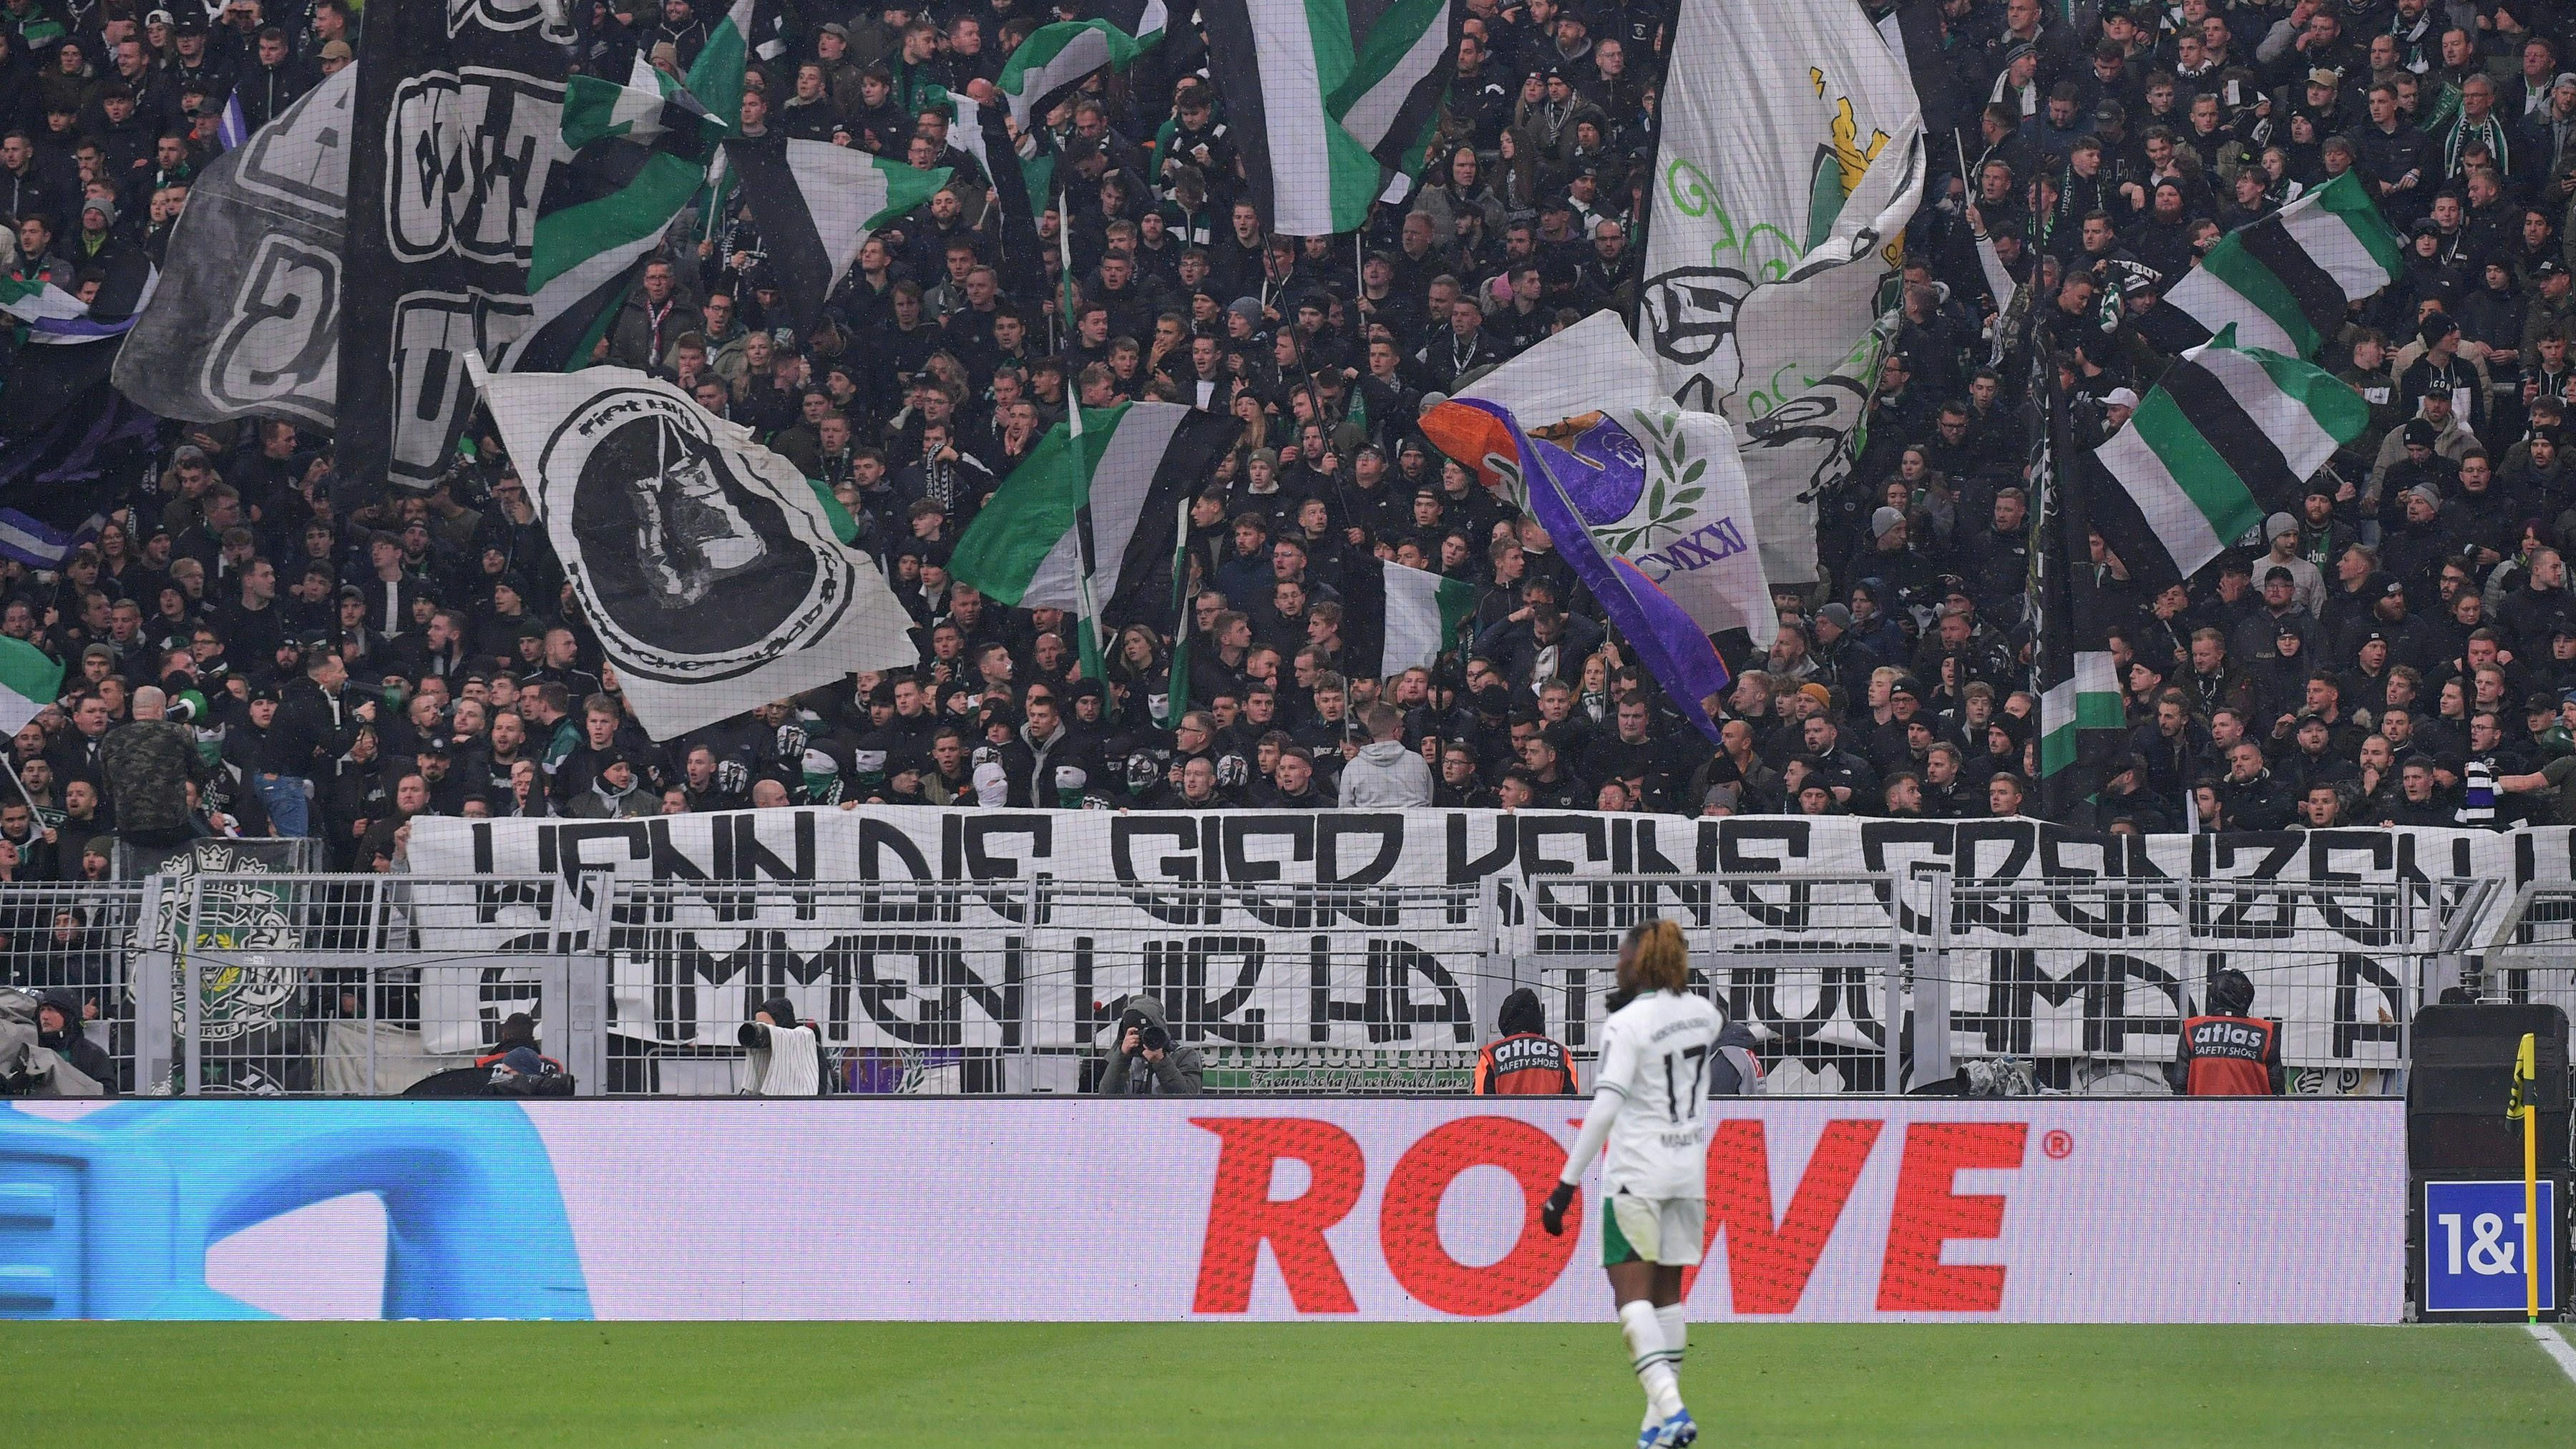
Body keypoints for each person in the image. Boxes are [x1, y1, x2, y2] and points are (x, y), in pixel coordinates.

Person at [1541, 919, 1719, 1449]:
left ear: (1638, 962)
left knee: (1632, 1299)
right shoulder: (1705, 1015)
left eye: (1622, 957)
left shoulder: (1628, 1024)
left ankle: (1672, 1408)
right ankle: (1654, 1427)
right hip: (1688, 1173)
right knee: (1668, 1300)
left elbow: (1605, 1108)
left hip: (1638, 1173)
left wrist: (1564, 1187)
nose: (1616, 965)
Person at [2167, 968, 2283, 1096]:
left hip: (2203, 1112)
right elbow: (2277, 1087)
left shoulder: (2192, 1029)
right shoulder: (2266, 1031)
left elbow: (2179, 1084)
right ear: (2248, 995)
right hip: (2251, 1113)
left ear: (2214, 994)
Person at [1471, 987, 1577, 1094]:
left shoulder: (1490, 1056)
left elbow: (1482, 1104)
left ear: (1505, 1018)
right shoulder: (1561, 1055)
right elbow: (1574, 1104)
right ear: (1538, 1018)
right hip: (1550, 1111)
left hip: (1506, 1111)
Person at [1097, 993, 1204, 1095]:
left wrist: (1161, 1062)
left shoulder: (1184, 1055)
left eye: (1148, 1032)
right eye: (1136, 1033)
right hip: (1130, 1114)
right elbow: (1106, 1098)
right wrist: (1122, 1057)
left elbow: (1190, 1099)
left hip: (1170, 1114)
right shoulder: (1121, 1057)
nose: (1143, 1038)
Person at [1335, 701, 1433, 807]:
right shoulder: (1417, 762)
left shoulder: (1353, 768)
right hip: (1414, 823)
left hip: (1369, 824)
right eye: (1402, 727)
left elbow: (1345, 812)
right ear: (1396, 731)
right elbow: (1429, 802)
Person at [737, 995, 825, 1095]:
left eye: (765, 1025)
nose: (760, 1029)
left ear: (781, 1023)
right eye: (757, 1024)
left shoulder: (807, 1047)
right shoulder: (760, 1055)